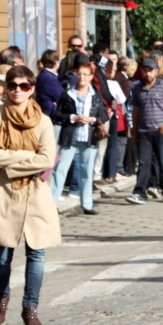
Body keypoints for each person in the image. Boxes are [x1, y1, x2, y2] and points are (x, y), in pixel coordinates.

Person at [0, 66, 60, 325]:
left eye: (24, 86)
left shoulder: (43, 120)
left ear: (32, 88)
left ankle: (30, 308)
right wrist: (28, 157)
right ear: (6, 87)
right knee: (2, 253)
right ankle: (1, 298)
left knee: (36, 253)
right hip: (4, 192)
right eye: (13, 85)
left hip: (36, 192)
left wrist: (11, 161)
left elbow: (47, 158)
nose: (18, 90)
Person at [51, 54, 108, 215]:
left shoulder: (95, 95)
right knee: (59, 169)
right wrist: (73, 117)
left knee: (86, 171)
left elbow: (104, 115)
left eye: (85, 74)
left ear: (91, 77)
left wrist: (93, 119)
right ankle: (52, 204)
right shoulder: (67, 93)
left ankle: (87, 205)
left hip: (89, 137)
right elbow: (57, 115)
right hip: (70, 135)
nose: (81, 77)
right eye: (79, 74)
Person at [126, 59, 163, 204]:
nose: (148, 73)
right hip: (143, 131)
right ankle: (139, 193)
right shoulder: (137, 88)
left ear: (156, 71)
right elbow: (135, 110)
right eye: (145, 70)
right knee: (144, 163)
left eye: (150, 70)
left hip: (161, 131)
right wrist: (134, 130)